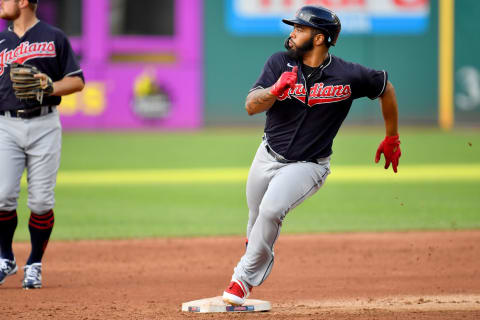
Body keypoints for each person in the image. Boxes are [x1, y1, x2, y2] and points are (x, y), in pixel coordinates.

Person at [222, 5, 401, 306]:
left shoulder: (347, 75)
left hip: (308, 165)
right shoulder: (279, 62)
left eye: (300, 29)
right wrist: (274, 91)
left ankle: (241, 280)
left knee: (270, 211)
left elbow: (386, 88)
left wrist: (392, 136)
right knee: (255, 222)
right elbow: (251, 105)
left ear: (319, 38)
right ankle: (257, 249)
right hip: (267, 155)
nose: (292, 33)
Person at [0, 0, 84, 289]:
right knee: (2, 195)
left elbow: (77, 81)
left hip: (44, 124)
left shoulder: (54, 37)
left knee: (40, 202)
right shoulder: (0, 40)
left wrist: (50, 86)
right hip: (6, 124)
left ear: (23, 1)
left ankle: (34, 262)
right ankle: (5, 258)